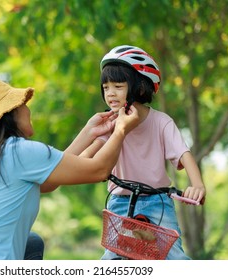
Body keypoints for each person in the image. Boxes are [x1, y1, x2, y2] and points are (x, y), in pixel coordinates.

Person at [0, 78, 140, 260]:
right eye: (22, 104)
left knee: (32, 243)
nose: (28, 109)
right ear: (9, 113)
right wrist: (121, 129)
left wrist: (90, 133)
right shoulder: (18, 151)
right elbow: (99, 170)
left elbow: (50, 180)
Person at [79, 45, 206, 260]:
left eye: (118, 86)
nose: (110, 93)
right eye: (106, 87)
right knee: (111, 260)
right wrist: (77, 164)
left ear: (139, 87)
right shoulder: (110, 123)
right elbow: (85, 159)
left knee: (175, 259)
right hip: (120, 202)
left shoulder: (161, 121)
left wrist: (198, 185)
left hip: (157, 201)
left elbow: (184, 153)